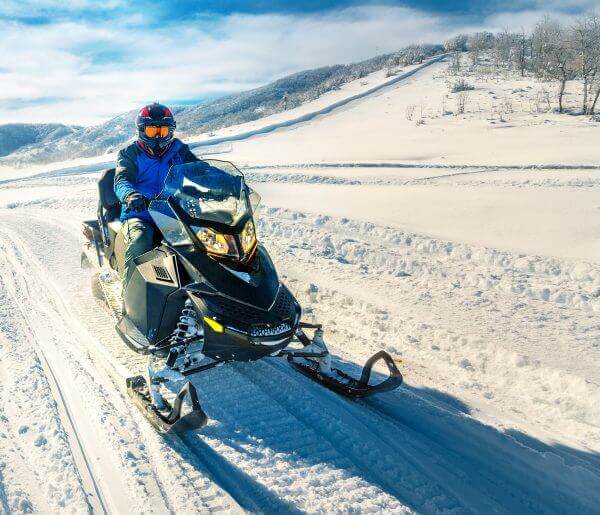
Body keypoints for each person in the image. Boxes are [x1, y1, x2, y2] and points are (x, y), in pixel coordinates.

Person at [114, 102, 198, 286]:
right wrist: (130, 195)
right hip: (140, 213)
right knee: (140, 241)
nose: (159, 137)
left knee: (203, 240)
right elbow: (122, 180)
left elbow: (201, 171)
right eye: (153, 131)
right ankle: (129, 297)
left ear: (171, 131)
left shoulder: (179, 151)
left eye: (163, 131)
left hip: (173, 212)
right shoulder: (130, 153)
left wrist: (226, 184)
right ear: (142, 131)